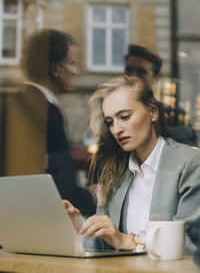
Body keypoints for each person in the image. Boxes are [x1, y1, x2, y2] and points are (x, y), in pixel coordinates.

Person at [64, 75, 200, 253]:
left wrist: (130, 241)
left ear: (152, 113)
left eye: (125, 116)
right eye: (110, 122)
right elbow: (105, 244)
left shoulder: (190, 163)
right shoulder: (114, 173)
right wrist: (82, 228)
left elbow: (191, 241)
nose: (116, 129)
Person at [2, 29, 95, 214]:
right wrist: (91, 196)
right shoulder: (48, 113)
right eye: (73, 63)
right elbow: (60, 188)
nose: (76, 71)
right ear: (56, 69)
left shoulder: (8, 105)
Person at [124, 44, 197, 146]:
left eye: (141, 72)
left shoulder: (173, 115)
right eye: (129, 70)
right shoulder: (112, 111)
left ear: (155, 79)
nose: (132, 76)